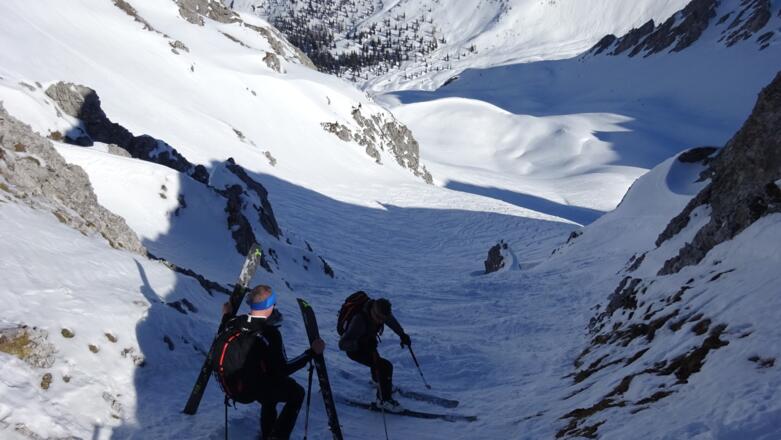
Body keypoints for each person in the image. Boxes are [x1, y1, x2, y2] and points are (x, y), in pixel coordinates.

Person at [221, 285, 324, 440]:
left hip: (235, 387)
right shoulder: (270, 334)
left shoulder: (236, 322)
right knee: (296, 392)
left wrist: (226, 315)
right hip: (253, 388)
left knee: (270, 384)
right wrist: (310, 353)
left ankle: (268, 433)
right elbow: (283, 369)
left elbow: (224, 328)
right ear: (269, 307)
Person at [338, 294, 411, 411]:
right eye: (379, 318)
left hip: (368, 342)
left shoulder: (379, 311)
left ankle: (378, 382)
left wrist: (402, 334)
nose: (381, 321)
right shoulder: (359, 320)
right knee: (385, 366)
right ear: (373, 311)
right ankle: (383, 400)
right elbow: (342, 344)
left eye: (383, 319)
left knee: (376, 359)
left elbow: (391, 321)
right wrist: (360, 344)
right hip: (354, 350)